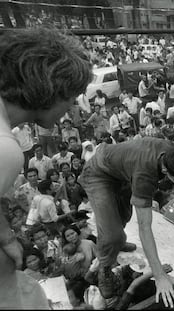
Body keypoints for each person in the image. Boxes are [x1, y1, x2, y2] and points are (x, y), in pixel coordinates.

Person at [0, 27, 91, 309]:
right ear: (52, 88)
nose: (73, 105)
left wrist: (5, 235)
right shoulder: (6, 150)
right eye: (73, 95)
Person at [78, 137, 174, 307]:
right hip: (98, 174)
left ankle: (118, 244)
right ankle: (104, 267)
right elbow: (144, 228)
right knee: (112, 235)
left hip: (121, 171)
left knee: (123, 217)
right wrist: (160, 275)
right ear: (164, 168)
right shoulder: (145, 174)